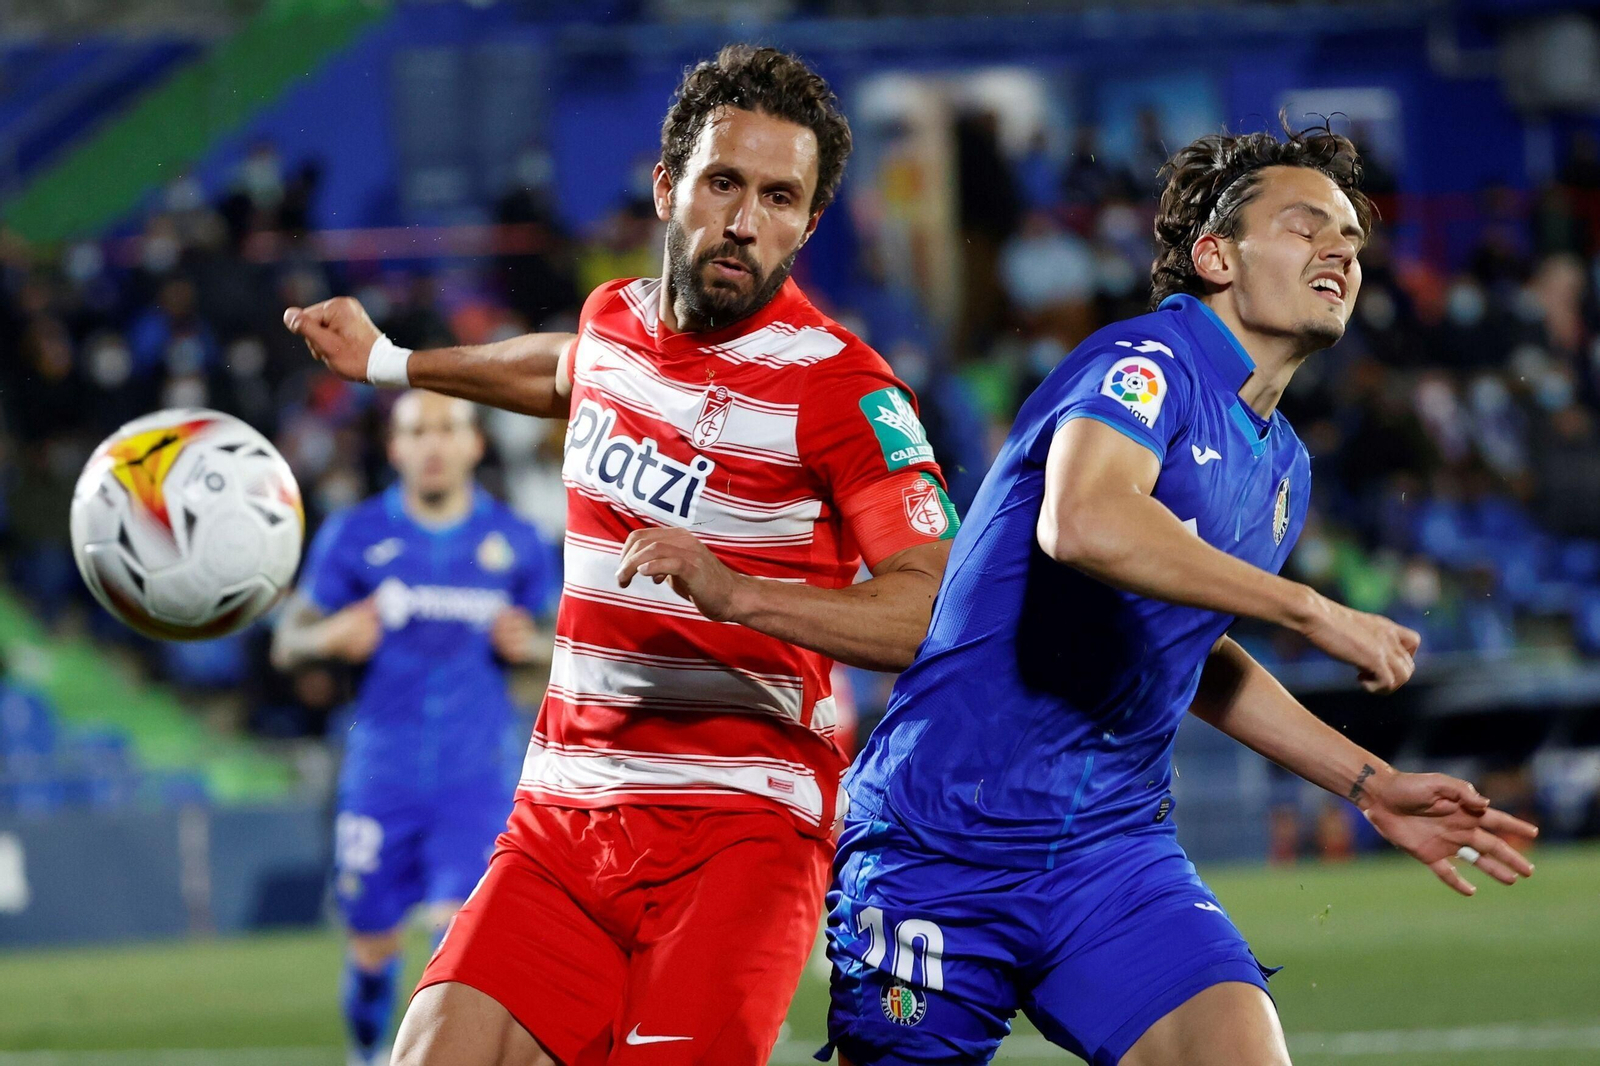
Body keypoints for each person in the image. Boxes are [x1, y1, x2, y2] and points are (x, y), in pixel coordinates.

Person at [282, 45, 958, 1066]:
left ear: (808, 224)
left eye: (780, 198)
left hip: (740, 829)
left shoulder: (842, 390)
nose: (743, 220)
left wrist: (737, 590)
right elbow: (565, 368)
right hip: (564, 813)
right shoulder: (613, 319)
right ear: (665, 186)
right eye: (723, 183)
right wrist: (391, 362)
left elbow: (934, 608)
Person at [822, 123, 1541, 1066]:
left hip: (1111, 855)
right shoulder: (1146, 363)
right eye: (1305, 225)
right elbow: (1081, 520)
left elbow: (1190, 652)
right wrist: (1310, 608)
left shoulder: (1283, 465)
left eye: (1352, 239)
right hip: (940, 840)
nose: (1341, 250)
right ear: (1216, 256)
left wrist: (1371, 784)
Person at [272, 390, 557, 1066]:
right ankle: (366, 1052)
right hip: (381, 772)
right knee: (371, 946)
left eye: (447, 429)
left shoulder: (516, 541)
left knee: (456, 946)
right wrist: (330, 635)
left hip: (476, 774)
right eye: (416, 431)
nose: (432, 444)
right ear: (394, 448)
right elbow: (288, 642)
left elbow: (572, 644)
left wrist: (534, 645)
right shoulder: (354, 533)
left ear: (474, 445)